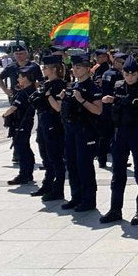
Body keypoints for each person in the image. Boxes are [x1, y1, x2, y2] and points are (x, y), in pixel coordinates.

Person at [100, 56, 138, 225]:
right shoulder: (117, 86)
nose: (130, 77)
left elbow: (134, 102)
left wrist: (123, 100)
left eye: (133, 73)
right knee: (118, 173)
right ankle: (115, 209)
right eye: (126, 73)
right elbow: (118, 104)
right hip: (120, 133)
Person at [57, 54, 104, 212]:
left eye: (78, 68)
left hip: (86, 129)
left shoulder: (92, 87)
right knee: (71, 164)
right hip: (71, 128)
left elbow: (98, 110)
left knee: (84, 165)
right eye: (74, 67)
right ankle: (76, 196)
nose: (75, 70)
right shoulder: (72, 86)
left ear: (87, 69)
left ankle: (89, 200)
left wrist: (82, 100)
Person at [31, 55, 67, 200]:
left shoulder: (58, 84)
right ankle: (47, 185)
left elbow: (58, 108)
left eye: (45, 67)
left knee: (55, 158)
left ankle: (57, 189)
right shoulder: (47, 83)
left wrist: (48, 97)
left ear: (54, 69)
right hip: (43, 121)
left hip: (53, 122)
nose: (43, 70)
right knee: (46, 156)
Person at [3, 65, 39, 185]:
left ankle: (24, 174)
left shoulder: (25, 92)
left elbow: (14, 107)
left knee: (21, 148)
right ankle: (27, 173)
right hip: (26, 122)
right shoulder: (31, 90)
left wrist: (4, 115)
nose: (18, 78)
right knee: (25, 148)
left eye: (19, 76)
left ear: (25, 77)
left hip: (21, 123)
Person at [92, 49, 114, 168]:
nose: (97, 59)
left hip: (105, 102)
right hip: (101, 102)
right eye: (97, 57)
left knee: (105, 133)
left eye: (100, 57)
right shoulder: (98, 68)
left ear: (105, 57)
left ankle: (102, 154)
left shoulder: (104, 69)